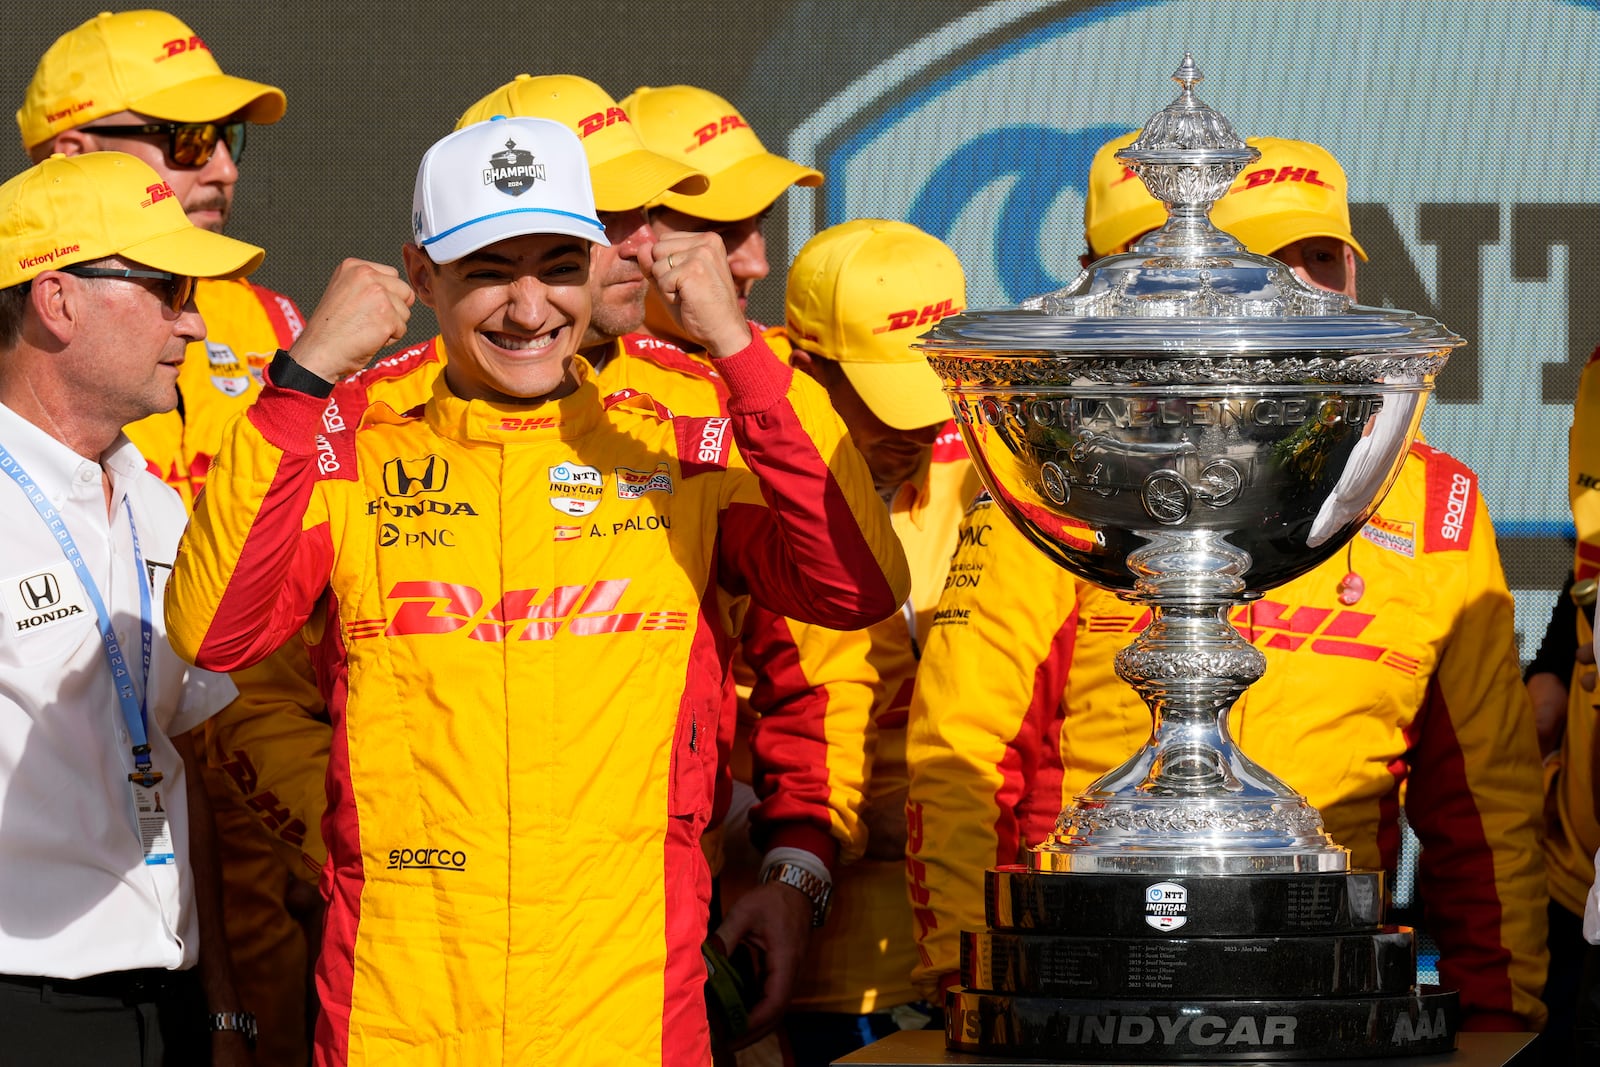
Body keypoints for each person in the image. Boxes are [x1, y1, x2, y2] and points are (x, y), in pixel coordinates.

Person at [165, 115, 909, 1065]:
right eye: (486, 270)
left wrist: (737, 347)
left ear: (601, 267)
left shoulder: (679, 444)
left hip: (635, 1013)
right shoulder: (352, 439)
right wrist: (302, 375)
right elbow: (214, 631)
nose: (527, 309)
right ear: (421, 275)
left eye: (558, 265)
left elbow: (856, 585)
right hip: (402, 1018)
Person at [905, 133, 1549, 1033]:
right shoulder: (1075, 479)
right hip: (1084, 994)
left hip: (1327, 993)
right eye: (1275, 263)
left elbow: (1485, 802)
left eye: (1324, 259)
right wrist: (971, 986)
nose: (1307, 291)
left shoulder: (1437, 503)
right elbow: (965, 755)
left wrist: (1499, 1016)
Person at [19, 12, 324, 1063]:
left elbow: (213, 722)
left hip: (204, 941)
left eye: (233, 136)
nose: (224, 167)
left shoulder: (261, 347)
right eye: (187, 138)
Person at [0, 149, 262, 1065]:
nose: (193, 320)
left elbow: (184, 772)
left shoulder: (154, 498)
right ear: (57, 298)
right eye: (166, 285)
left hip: (173, 1004)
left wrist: (224, 1007)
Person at [725, 219, 978, 1064]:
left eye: (935, 387)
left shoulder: (995, 476)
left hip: (970, 936)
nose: (915, 428)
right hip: (780, 938)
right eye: (882, 394)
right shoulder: (731, 485)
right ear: (804, 367)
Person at [620, 83, 822, 348]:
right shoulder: (579, 382)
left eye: (761, 221)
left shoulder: (799, 362)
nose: (758, 266)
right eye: (718, 233)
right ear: (626, 230)